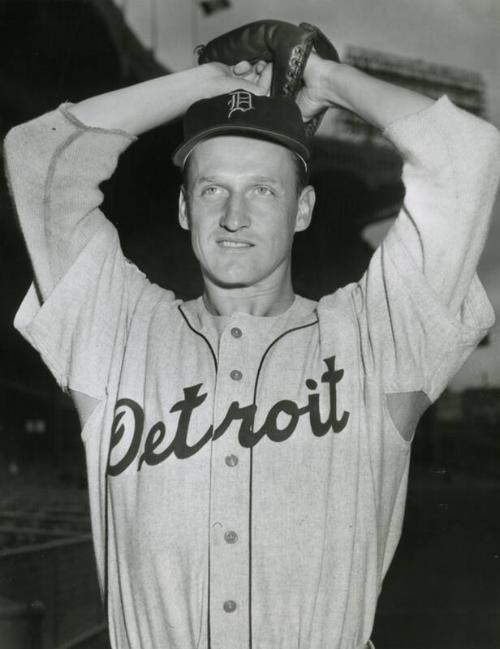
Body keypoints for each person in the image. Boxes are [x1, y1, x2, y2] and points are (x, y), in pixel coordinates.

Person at [4, 39, 500, 649]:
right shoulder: (119, 331)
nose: (234, 215)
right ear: (184, 209)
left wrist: (325, 80)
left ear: (304, 209)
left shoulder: (377, 336)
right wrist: (202, 86)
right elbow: (40, 154)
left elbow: (467, 156)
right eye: (212, 189)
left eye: (264, 190)